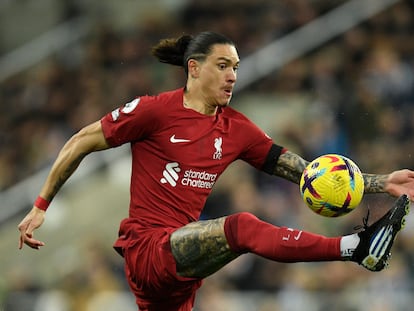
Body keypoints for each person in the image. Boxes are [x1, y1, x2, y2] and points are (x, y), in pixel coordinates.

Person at [18, 31, 414, 311]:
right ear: (193, 68)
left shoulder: (236, 127)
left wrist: (380, 183)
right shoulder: (155, 111)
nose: (233, 76)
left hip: (181, 279)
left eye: (237, 67)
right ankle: (354, 248)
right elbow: (80, 141)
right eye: (223, 65)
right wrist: (41, 204)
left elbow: (306, 173)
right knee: (240, 226)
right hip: (149, 251)